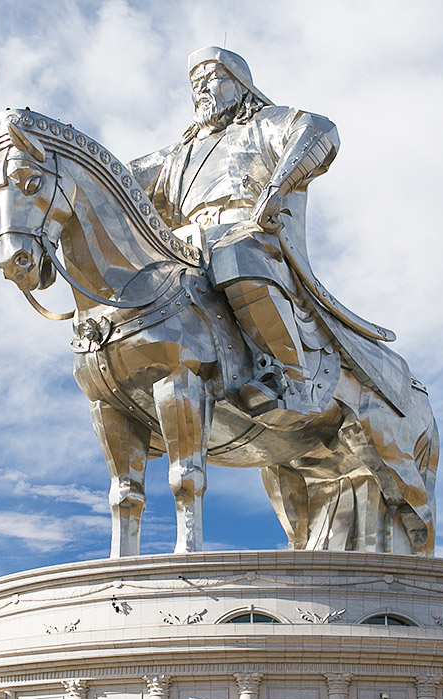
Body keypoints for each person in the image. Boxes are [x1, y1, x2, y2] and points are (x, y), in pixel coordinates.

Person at [129, 46, 347, 420]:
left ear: (241, 85)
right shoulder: (179, 154)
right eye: (195, 84)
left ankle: (290, 376)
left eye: (212, 78)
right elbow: (121, 178)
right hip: (182, 245)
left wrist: (278, 188)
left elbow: (319, 129)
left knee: (233, 254)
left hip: (246, 233)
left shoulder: (262, 125)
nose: (201, 89)